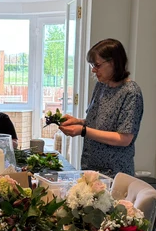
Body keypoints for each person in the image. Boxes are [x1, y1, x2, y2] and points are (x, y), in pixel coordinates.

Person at [60, 38, 143, 176]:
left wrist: (83, 131)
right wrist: (78, 121)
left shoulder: (131, 92)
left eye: (97, 65)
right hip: (91, 168)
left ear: (114, 63)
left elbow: (124, 138)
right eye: (92, 65)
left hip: (115, 173)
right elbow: (99, 123)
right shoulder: (101, 86)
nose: (93, 70)